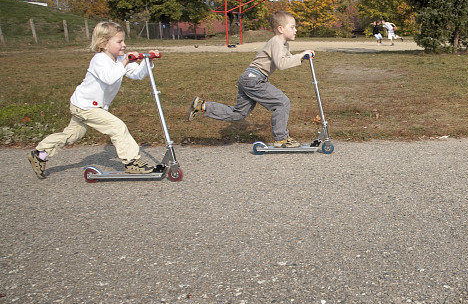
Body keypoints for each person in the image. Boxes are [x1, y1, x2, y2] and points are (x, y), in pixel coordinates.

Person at [27, 21, 160, 179]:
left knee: (72, 135)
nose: (124, 45)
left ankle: (40, 153)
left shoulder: (119, 58)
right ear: (104, 44)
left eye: (124, 41)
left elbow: (137, 74)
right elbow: (109, 78)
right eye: (119, 42)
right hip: (86, 106)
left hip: (88, 105)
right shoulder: (99, 60)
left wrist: (147, 60)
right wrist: (125, 61)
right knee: (117, 127)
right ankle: (132, 163)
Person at [187, 11, 314, 148]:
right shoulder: (276, 42)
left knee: (238, 114)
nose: (296, 30)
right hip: (254, 79)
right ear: (280, 29)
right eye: (292, 27)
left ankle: (202, 105)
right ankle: (281, 139)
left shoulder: (283, 44)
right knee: (282, 103)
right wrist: (301, 55)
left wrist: (302, 58)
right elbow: (281, 64)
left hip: (249, 78)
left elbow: (287, 60)